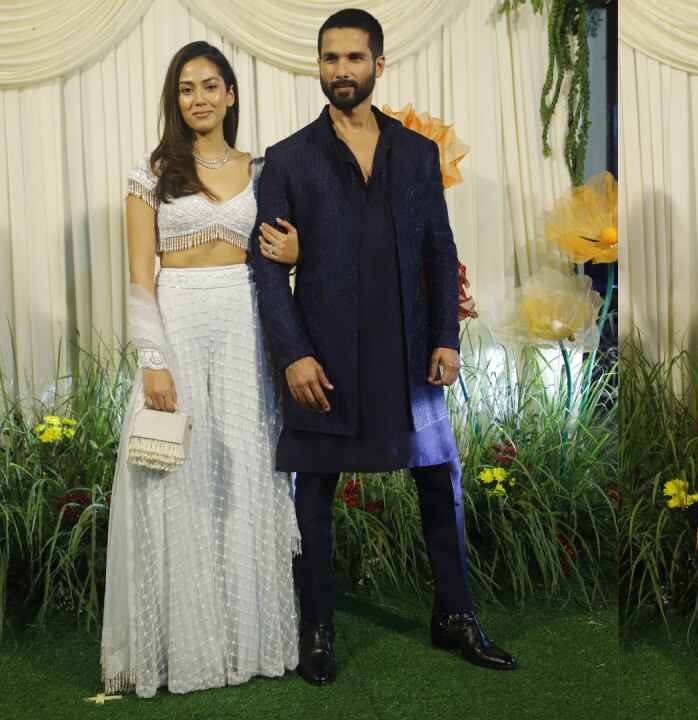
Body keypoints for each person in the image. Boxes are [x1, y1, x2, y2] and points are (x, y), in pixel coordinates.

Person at [251, 9, 516, 686]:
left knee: (440, 482)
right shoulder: (286, 160)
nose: (342, 70)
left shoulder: (417, 153)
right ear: (319, 66)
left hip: (407, 357)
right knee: (313, 495)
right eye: (330, 58)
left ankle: (455, 616)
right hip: (324, 357)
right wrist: (293, 355)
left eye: (354, 58)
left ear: (378, 65)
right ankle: (316, 630)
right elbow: (265, 271)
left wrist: (447, 339)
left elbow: (439, 248)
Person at [101, 41, 300, 698]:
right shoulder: (150, 174)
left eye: (210, 85)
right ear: (175, 100)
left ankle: (250, 642)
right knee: (181, 484)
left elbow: (281, 257)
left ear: (231, 94)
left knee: (243, 473)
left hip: (246, 331)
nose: (199, 98)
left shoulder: (266, 169)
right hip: (179, 327)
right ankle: (185, 649)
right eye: (186, 89)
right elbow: (139, 278)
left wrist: (297, 250)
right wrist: (152, 362)